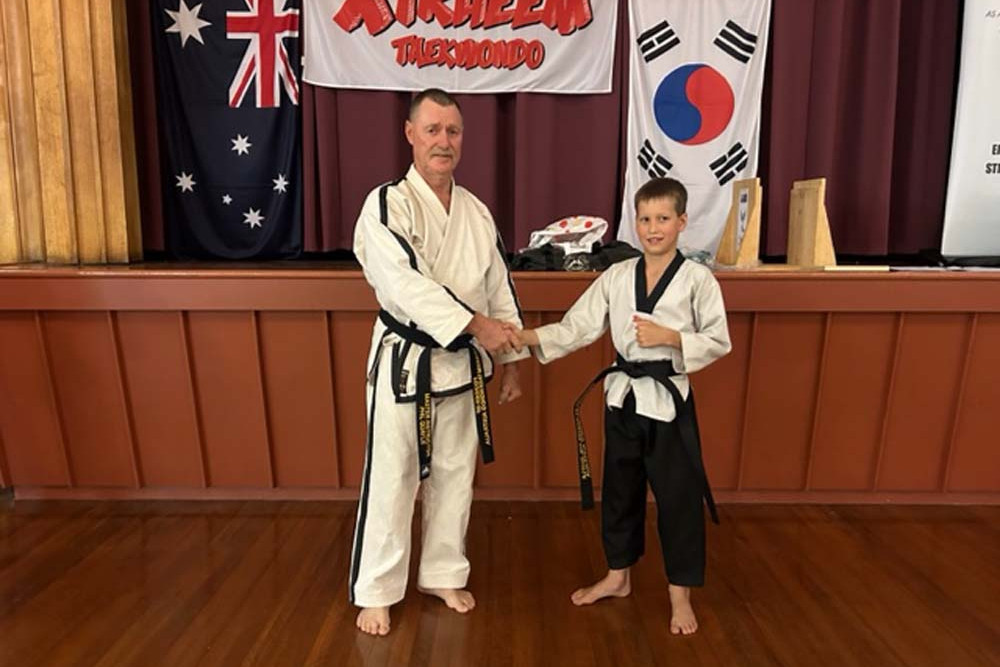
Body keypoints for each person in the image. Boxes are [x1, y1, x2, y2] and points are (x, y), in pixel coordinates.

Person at [511, 177, 730, 635]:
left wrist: (671, 337)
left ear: (682, 222)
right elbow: (577, 327)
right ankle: (618, 576)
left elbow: (718, 340)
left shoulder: (697, 279)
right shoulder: (616, 276)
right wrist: (525, 339)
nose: (653, 229)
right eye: (645, 219)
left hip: (669, 402)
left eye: (663, 219)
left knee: (677, 500)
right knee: (620, 494)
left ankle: (679, 596)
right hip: (623, 399)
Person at [351, 88, 527, 636]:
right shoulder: (386, 205)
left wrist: (512, 359)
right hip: (406, 362)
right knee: (393, 475)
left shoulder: (475, 212)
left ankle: (442, 572)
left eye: (452, 132)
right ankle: (377, 589)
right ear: (410, 134)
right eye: (432, 130)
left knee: (455, 473)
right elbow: (404, 285)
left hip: (464, 366)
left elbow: (499, 286)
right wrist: (479, 327)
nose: (442, 142)